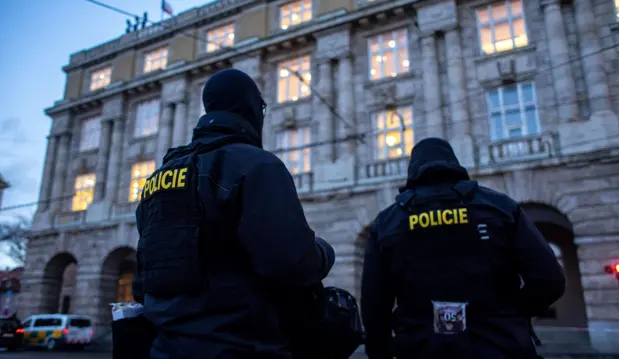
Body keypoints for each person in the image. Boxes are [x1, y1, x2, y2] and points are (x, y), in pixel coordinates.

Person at [133, 68, 335, 359]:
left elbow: (144, 277)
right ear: (252, 109)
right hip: (240, 345)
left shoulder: (157, 180)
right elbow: (292, 264)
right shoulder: (256, 165)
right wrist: (324, 252)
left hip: (165, 347)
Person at [360, 138, 565, 359]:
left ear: (413, 170)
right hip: (500, 345)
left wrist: (379, 350)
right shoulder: (499, 207)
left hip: (420, 347)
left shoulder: (388, 222)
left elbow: (374, 304)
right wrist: (509, 314)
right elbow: (550, 280)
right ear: (454, 164)